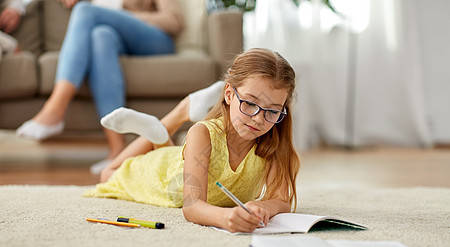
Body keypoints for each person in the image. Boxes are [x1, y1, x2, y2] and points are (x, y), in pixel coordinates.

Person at [84, 48, 301, 233]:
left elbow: (282, 200)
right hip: (160, 175)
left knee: (164, 149)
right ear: (229, 94)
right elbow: (192, 206)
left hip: (181, 159)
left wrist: (263, 206)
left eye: (272, 111)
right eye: (250, 104)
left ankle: (158, 134)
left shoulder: (275, 143)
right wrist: (225, 218)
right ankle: (177, 114)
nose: (258, 118)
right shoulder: (202, 133)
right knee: (107, 175)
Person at [15, 0, 184, 174]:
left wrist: (119, 15)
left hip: (156, 40)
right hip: (115, 37)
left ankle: (55, 109)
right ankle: (118, 149)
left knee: (85, 11)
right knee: (100, 36)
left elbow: (174, 21)